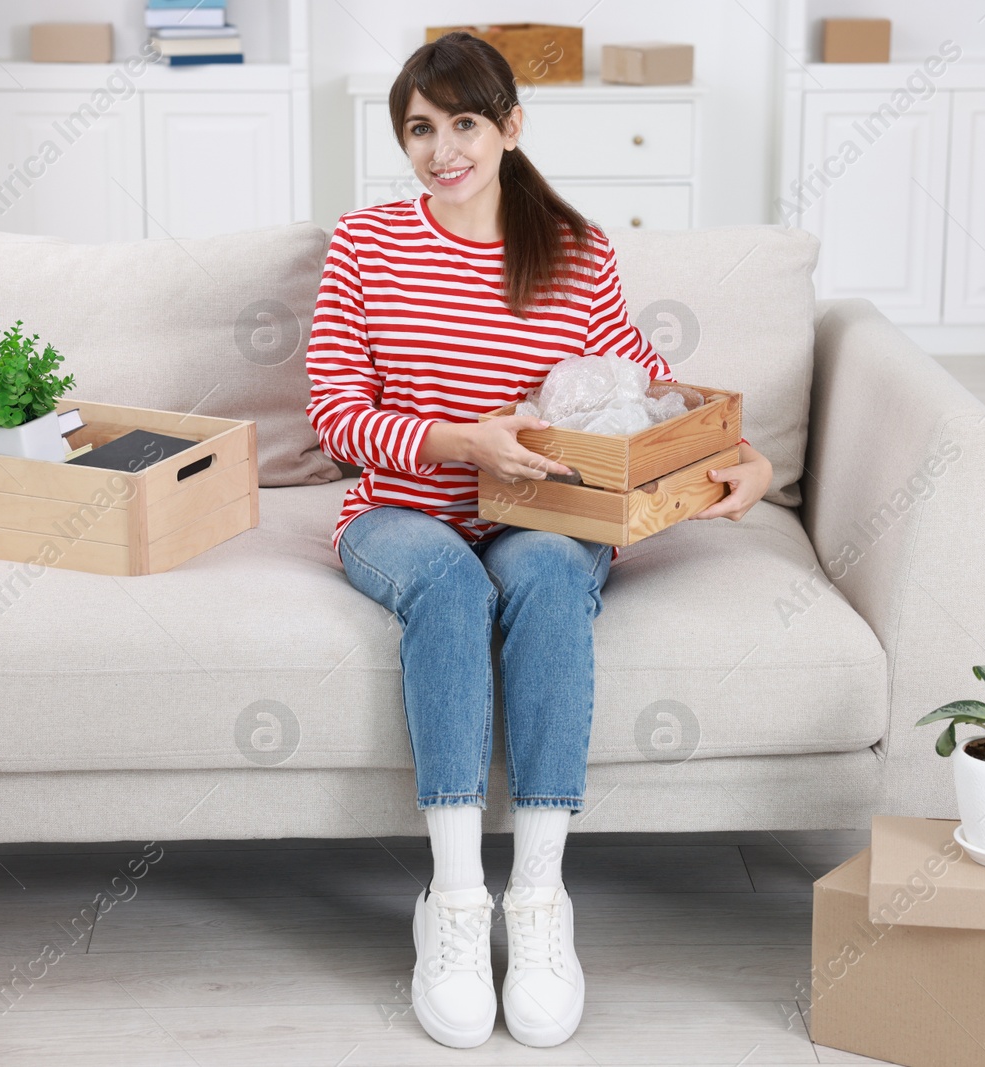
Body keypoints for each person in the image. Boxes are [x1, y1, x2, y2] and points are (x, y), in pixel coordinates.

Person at [303, 32, 774, 1050]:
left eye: (462, 122)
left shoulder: (576, 250)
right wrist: (459, 441)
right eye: (419, 128)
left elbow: (649, 387)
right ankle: (458, 904)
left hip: (546, 511)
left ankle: (540, 899)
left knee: (553, 581)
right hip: (401, 508)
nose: (441, 148)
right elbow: (336, 413)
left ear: (511, 128)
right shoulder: (364, 245)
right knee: (451, 591)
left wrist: (746, 452)